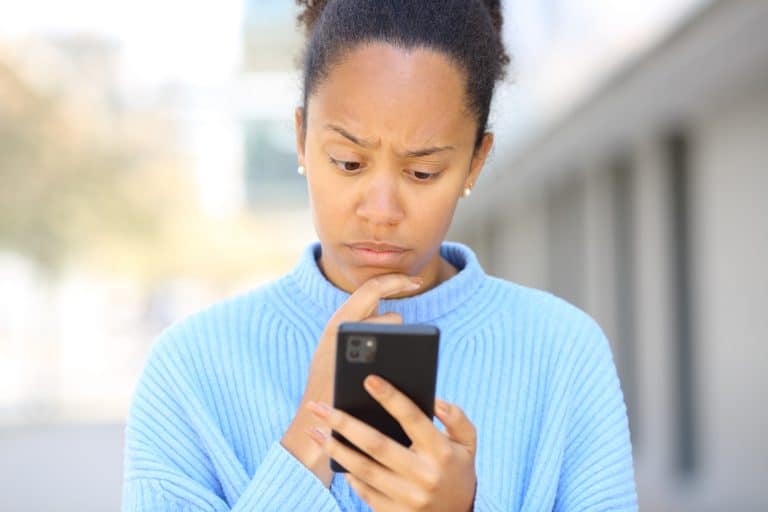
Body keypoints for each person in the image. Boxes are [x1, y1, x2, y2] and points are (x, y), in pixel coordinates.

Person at [121, 1, 638, 510]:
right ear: (301, 138)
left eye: (422, 172)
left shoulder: (564, 354)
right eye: (348, 163)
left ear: (476, 161)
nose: (382, 210)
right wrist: (311, 436)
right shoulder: (189, 371)